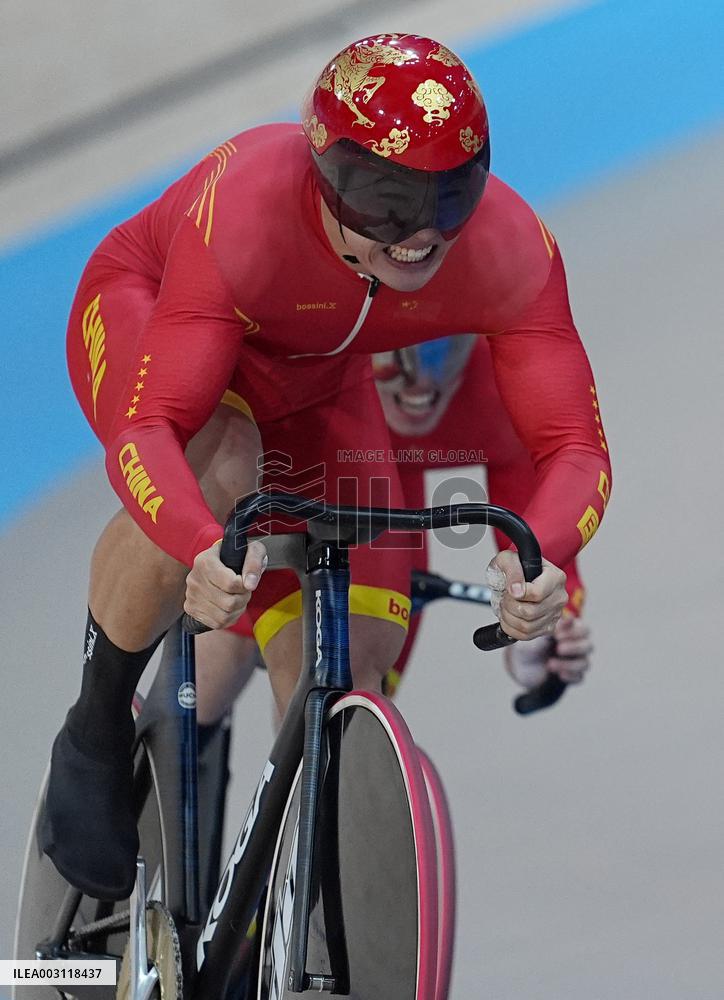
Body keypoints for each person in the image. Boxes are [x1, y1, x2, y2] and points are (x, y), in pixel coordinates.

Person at [41, 33, 611, 901]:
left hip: (315, 380)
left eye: (450, 197)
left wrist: (544, 560)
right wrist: (196, 542)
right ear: (325, 178)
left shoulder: (511, 249)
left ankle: (278, 904)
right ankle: (93, 729)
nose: (420, 235)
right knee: (224, 472)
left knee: (359, 649)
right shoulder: (245, 214)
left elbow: (574, 449)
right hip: (152, 312)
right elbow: (151, 427)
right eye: (386, 202)